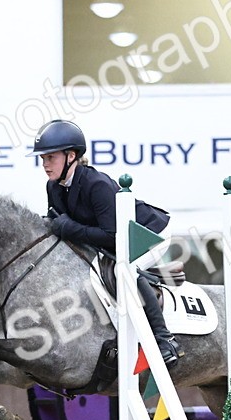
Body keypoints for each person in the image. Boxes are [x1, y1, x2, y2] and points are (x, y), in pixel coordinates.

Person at [29, 120, 183, 367]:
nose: (45, 164)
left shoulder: (96, 184)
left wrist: (71, 228)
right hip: (112, 237)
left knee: (124, 271)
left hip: (148, 233)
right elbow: (60, 224)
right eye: (42, 158)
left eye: (51, 157)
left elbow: (113, 237)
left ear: (71, 156)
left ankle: (165, 340)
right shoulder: (54, 186)